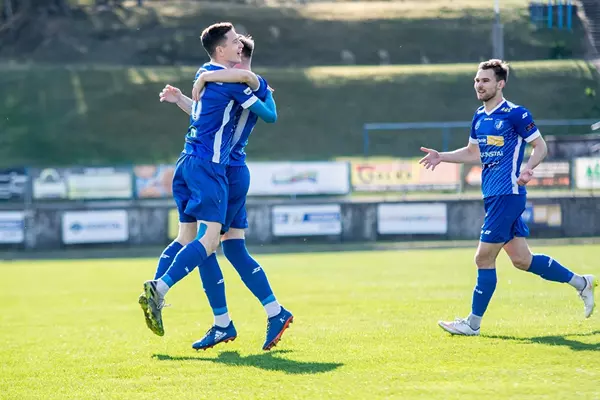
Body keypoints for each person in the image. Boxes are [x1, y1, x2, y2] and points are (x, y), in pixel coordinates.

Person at [419, 59, 597, 336]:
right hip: (493, 195)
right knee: (522, 260)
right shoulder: (479, 116)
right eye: (477, 80)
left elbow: (540, 146)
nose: (479, 85)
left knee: (483, 258)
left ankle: (472, 324)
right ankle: (582, 283)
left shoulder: (516, 114)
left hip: (508, 194)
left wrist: (528, 168)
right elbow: (472, 152)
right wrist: (441, 156)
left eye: (485, 80)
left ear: (500, 84)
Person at [139, 22, 277, 340]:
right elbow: (270, 114)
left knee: (192, 239)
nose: (237, 46)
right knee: (213, 243)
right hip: (217, 167)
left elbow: (210, 112)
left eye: (239, 43)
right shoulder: (238, 85)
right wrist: (264, 92)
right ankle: (161, 289)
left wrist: (189, 91)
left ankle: (223, 320)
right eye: (233, 41)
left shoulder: (208, 72)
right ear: (222, 50)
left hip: (190, 162)